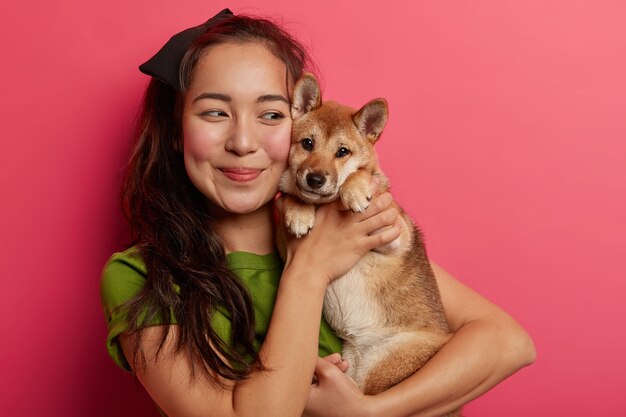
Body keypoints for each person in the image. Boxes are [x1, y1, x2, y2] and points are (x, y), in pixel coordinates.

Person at [100, 9, 535, 417]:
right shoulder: (140, 277)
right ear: (176, 132)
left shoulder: (346, 230)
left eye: (271, 114)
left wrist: (370, 411)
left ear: (298, 119)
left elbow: (508, 342)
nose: (243, 142)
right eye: (215, 112)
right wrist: (309, 268)